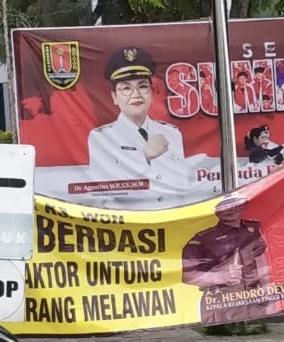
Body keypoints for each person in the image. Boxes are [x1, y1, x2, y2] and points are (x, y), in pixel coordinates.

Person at [86, 46, 188, 204]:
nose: (136, 94)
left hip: (170, 214)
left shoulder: (171, 133)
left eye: (142, 86)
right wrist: (144, 156)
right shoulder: (101, 138)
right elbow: (104, 190)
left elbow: (183, 187)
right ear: (114, 97)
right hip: (127, 217)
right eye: (126, 88)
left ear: (151, 94)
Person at [181, 196, 272, 323]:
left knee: (261, 333)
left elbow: (260, 259)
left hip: (254, 301)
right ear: (216, 211)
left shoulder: (252, 230)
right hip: (221, 304)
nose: (231, 209)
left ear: (243, 206)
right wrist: (219, 277)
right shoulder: (203, 239)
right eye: (225, 206)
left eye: (235, 204)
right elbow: (187, 276)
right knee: (224, 335)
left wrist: (268, 289)